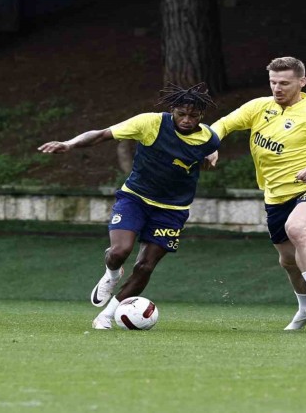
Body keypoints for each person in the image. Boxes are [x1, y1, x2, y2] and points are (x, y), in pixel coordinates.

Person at [39, 82, 220, 330]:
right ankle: (112, 274)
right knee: (119, 252)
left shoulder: (209, 139)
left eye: (193, 116)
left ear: (202, 116)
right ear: (172, 110)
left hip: (172, 210)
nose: (187, 120)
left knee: (145, 266)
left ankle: (106, 316)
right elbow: (102, 134)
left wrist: (211, 155)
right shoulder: (150, 123)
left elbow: (209, 151)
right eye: (181, 114)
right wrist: (69, 144)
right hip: (135, 198)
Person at [208, 56, 306, 330]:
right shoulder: (259, 107)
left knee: (297, 228)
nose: (277, 88)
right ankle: (304, 308)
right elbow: (224, 124)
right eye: (273, 82)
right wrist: (210, 144)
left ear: (302, 82)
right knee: (288, 261)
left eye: (284, 83)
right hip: (275, 197)